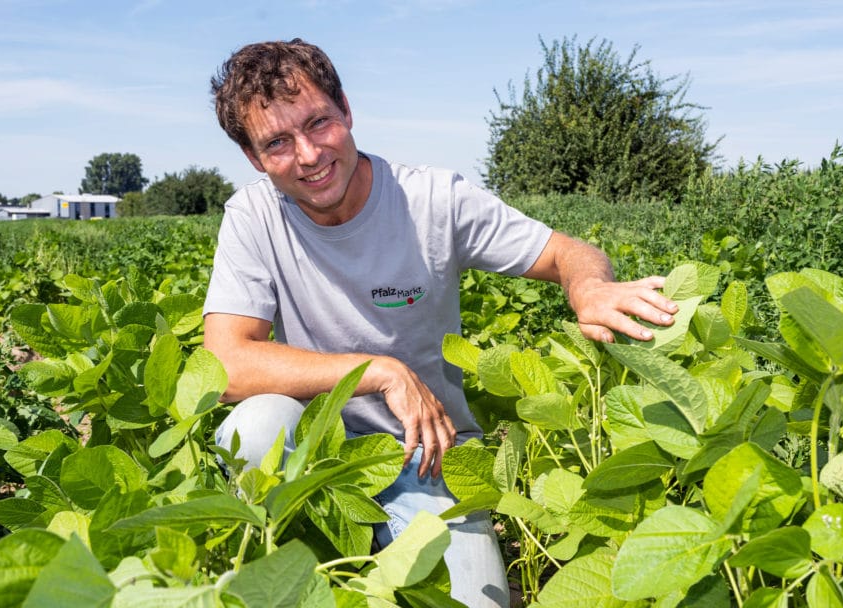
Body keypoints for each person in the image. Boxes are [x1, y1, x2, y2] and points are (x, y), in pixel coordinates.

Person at [203, 38, 678, 608]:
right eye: (277, 142)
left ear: (346, 110)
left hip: (426, 452)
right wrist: (377, 371)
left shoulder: (431, 198)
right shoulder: (253, 217)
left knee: (479, 603)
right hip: (318, 449)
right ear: (255, 158)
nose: (308, 155)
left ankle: (381, 541)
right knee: (251, 428)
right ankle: (300, 545)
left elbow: (563, 251)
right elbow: (226, 363)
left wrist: (589, 286)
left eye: (319, 123)